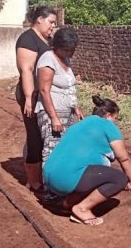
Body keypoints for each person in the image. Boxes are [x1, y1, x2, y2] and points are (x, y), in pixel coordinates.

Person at [43, 96, 131, 226]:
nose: (114, 122)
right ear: (107, 115)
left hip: (49, 177)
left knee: (92, 172)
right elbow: (123, 157)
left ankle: (68, 203)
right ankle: (81, 209)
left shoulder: (79, 124)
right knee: (119, 178)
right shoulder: (106, 124)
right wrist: (130, 179)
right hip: (66, 180)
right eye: (115, 118)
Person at [15, 6, 57, 191]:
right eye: (51, 22)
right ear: (39, 19)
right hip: (31, 95)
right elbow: (26, 70)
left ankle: (43, 173)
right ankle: (33, 181)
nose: (53, 26)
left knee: (45, 134)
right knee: (34, 136)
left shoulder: (47, 39)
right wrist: (29, 98)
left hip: (44, 94)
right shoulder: (27, 39)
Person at [35, 27, 83, 166]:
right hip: (52, 113)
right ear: (57, 46)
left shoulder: (66, 60)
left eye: (73, 50)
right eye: (67, 50)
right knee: (52, 149)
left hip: (67, 113)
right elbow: (44, 91)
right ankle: (48, 182)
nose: (71, 53)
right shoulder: (48, 59)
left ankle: (60, 180)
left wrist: (76, 107)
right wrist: (54, 118)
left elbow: (69, 86)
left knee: (64, 147)